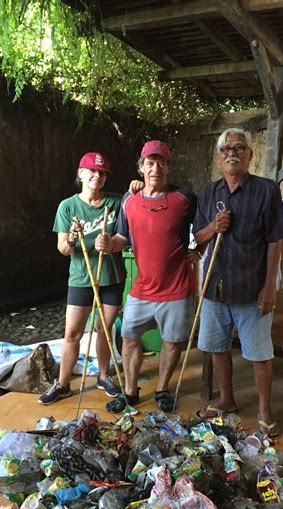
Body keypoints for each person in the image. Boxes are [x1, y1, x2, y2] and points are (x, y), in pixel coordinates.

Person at [193, 127, 283, 438]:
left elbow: (276, 240)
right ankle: (227, 399)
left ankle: (264, 408)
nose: (232, 152)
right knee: (217, 348)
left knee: (259, 353)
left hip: (252, 288)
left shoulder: (266, 190)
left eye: (239, 147)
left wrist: (270, 286)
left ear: (250, 154)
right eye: (226, 149)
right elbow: (197, 237)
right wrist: (213, 226)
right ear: (219, 156)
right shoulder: (209, 193)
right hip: (215, 287)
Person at [95, 140, 198, 413]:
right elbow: (121, 238)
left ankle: (163, 388)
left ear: (169, 167)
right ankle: (129, 392)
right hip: (142, 289)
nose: (156, 168)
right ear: (141, 168)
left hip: (176, 288)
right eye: (150, 163)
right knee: (129, 337)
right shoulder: (129, 200)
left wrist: (199, 250)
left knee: (173, 341)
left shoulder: (184, 198)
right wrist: (109, 244)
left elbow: (203, 230)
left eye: (161, 162)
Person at [39, 152, 125, 405]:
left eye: (102, 173)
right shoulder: (68, 206)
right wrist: (74, 239)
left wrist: (137, 185)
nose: (96, 176)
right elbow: (63, 248)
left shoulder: (117, 202)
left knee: (104, 330)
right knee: (72, 333)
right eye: (92, 171)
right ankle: (63, 384)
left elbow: (127, 233)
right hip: (80, 278)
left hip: (111, 276)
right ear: (81, 173)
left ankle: (104, 376)